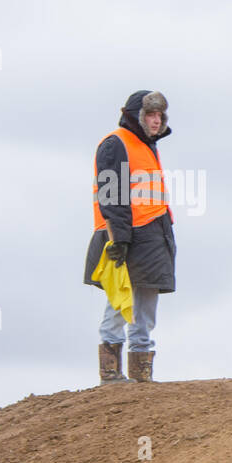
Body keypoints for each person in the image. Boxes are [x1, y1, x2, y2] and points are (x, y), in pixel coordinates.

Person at [83, 90, 176, 383]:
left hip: (153, 236)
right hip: (124, 237)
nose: (155, 120)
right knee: (120, 301)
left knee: (145, 306)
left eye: (159, 115)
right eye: (150, 114)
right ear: (136, 116)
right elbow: (111, 194)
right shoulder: (116, 143)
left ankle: (140, 375)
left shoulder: (147, 146)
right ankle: (111, 375)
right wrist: (120, 239)